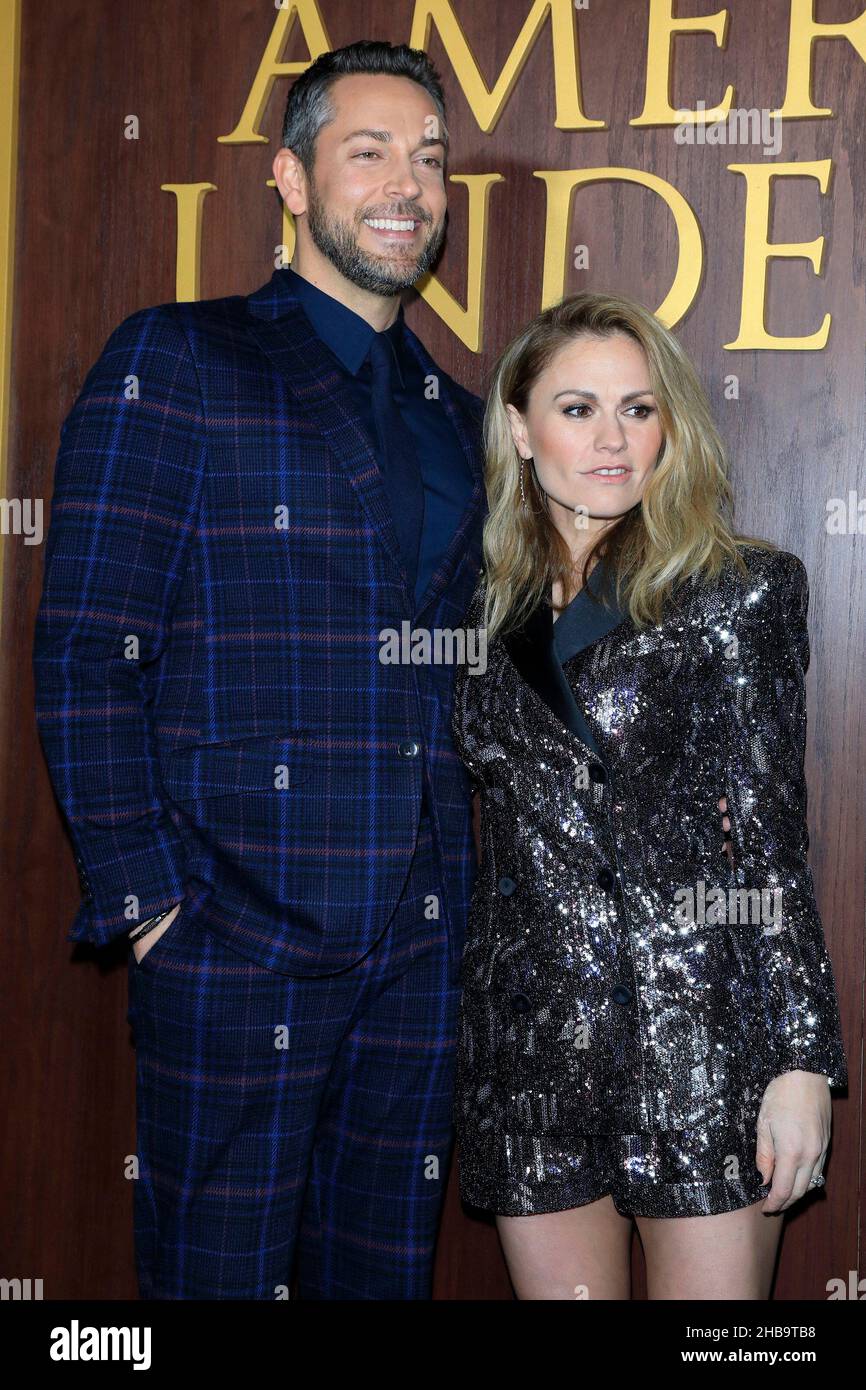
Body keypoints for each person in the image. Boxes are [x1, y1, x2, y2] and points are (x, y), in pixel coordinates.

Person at [32, 41, 487, 1300]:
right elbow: (85, 649)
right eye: (369, 151)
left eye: (430, 158)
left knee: (379, 1278)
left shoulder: (461, 416)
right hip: (229, 938)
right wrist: (152, 907)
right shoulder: (177, 359)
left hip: (418, 946)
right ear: (289, 178)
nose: (408, 184)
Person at [449, 292, 848, 1300]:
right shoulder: (472, 606)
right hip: (531, 1048)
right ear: (517, 426)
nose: (612, 438)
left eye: (638, 407)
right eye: (577, 408)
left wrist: (800, 1062)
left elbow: (767, 844)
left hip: (694, 1036)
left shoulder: (734, 588)